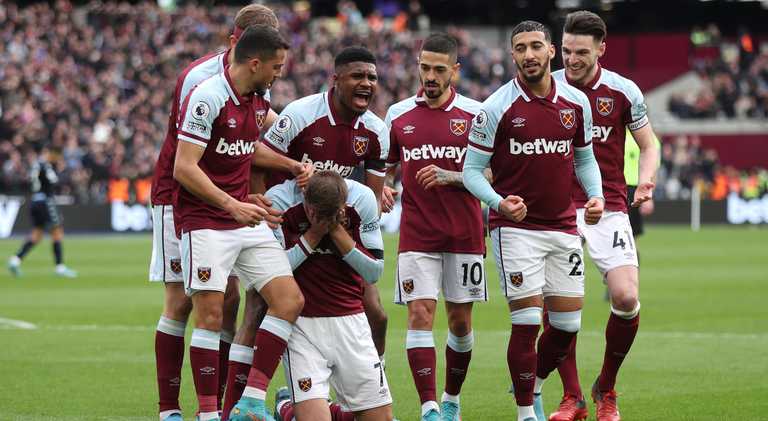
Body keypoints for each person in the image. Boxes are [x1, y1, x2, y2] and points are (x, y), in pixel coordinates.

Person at [147, 6, 311, 421]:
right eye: (276, 65)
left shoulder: (258, 91)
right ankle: (178, 409)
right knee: (188, 305)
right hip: (191, 205)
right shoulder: (203, 86)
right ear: (249, 53)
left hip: (238, 208)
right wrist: (232, 201)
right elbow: (187, 163)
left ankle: (240, 402)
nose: (279, 73)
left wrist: (292, 166)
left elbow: (246, 143)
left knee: (267, 299)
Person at [462, 20, 604, 421]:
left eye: (536, 46)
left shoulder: (576, 103)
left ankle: (533, 382)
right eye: (521, 48)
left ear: (551, 51)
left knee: (567, 327)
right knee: (526, 323)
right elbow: (471, 171)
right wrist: (499, 203)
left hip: (563, 226)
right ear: (512, 55)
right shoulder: (496, 108)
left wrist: (595, 195)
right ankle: (526, 412)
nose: (529, 55)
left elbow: (584, 159)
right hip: (515, 229)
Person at [547, 11, 659, 421]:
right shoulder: (546, 87)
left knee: (626, 298)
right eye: (566, 51)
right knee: (557, 306)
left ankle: (605, 388)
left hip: (608, 206)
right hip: (556, 209)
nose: (571, 60)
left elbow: (649, 145)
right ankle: (572, 397)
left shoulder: (623, 91)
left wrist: (645, 181)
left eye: (581, 52)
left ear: (601, 50)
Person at [260, 46, 390, 365]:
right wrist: (261, 207)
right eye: (357, 76)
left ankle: (376, 381)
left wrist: (353, 226)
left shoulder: (376, 131)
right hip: (288, 222)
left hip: (336, 222)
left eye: (372, 78)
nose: (366, 83)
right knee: (259, 308)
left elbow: (372, 199)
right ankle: (247, 391)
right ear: (336, 79)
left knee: (377, 313)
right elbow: (257, 159)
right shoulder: (301, 114)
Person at [383, 33, 485, 421]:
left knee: (460, 323)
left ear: (454, 70)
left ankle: (451, 399)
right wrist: (383, 188)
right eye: (424, 68)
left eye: (439, 69)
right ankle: (429, 407)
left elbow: (494, 173)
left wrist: (453, 176)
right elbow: (384, 167)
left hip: (464, 235)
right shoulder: (398, 115)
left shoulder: (476, 115)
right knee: (420, 314)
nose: (430, 76)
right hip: (417, 235)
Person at [266, 171, 393, 421]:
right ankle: (288, 408)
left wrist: (335, 231)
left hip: (352, 324)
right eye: (316, 213)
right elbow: (273, 273)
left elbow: (374, 272)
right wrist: (313, 235)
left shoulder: (362, 200)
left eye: (330, 213)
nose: (319, 218)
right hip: (303, 327)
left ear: (342, 208)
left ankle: (290, 408)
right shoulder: (280, 203)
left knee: (381, 418)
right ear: (307, 205)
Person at [7, 144, 77, 278]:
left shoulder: (35, 165)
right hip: (46, 202)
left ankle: (15, 261)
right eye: (55, 154)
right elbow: (54, 181)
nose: (57, 157)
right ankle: (60, 268)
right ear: (48, 153)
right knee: (57, 232)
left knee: (36, 235)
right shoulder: (45, 166)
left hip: (35, 201)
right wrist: (62, 172)